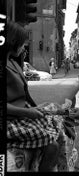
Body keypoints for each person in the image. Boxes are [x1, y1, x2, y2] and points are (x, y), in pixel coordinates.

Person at [6, 21, 60, 171]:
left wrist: (36, 109)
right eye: (22, 44)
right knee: (52, 143)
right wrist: (28, 113)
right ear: (13, 42)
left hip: (20, 115)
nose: (24, 48)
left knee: (55, 123)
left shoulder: (14, 63)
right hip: (10, 121)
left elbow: (25, 95)